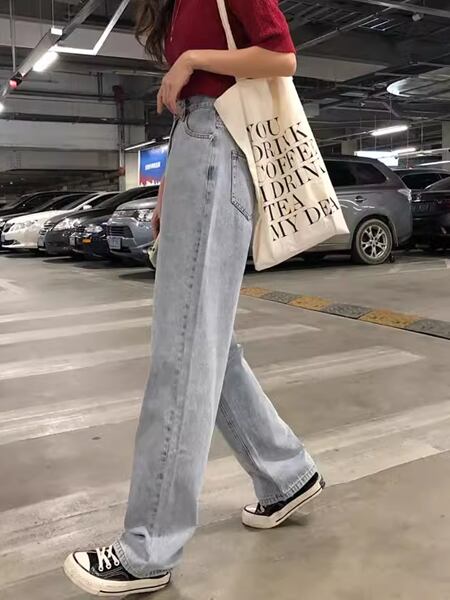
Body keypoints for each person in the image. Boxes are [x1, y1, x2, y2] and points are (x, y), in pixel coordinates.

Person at [64, 0, 324, 596]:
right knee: (207, 343)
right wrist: (168, 189)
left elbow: (281, 54)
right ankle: (286, 474)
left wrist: (191, 60)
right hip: (196, 150)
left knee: (183, 350)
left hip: (218, 148)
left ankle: (148, 547)